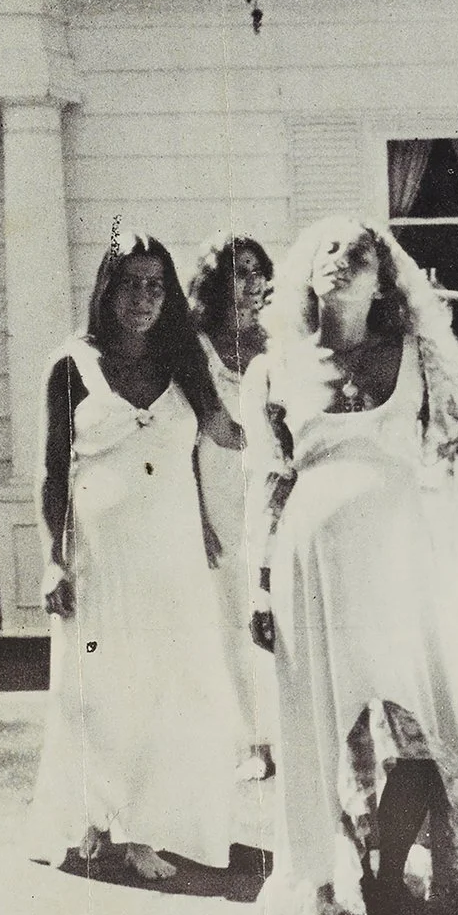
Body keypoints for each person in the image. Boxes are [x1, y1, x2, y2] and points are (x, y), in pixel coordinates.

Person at [244, 217, 458, 915]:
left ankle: (418, 888)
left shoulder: (414, 353)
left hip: (398, 562)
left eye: (361, 254)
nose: (343, 263)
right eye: (327, 249)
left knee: (420, 728)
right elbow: (267, 482)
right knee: (328, 733)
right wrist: (258, 586)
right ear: (301, 270)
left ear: (386, 277)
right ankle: (347, 890)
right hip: (309, 568)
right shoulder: (275, 366)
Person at [28, 231, 248, 881]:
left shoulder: (185, 360)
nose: (144, 298)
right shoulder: (71, 364)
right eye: (132, 284)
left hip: (173, 552)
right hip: (102, 555)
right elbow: (50, 475)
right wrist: (51, 560)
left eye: (156, 285)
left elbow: (222, 437)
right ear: (107, 288)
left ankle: (145, 825)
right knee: (99, 691)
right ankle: (101, 819)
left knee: (168, 688)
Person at [185, 232, 278, 784]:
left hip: (267, 489)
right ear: (217, 281)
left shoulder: (277, 339)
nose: (250, 282)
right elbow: (182, 435)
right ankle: (251, 740)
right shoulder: (194, 344)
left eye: (256, 270)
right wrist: (194, 515)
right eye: (238, 271)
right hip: (214, 489)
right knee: (228, 620)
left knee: (273, 609)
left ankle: (283, 731)